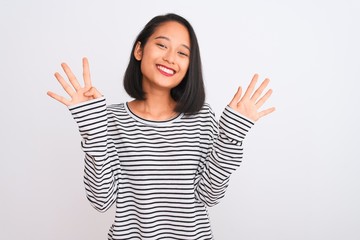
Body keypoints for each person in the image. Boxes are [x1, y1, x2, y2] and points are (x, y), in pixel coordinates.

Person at [47, 13, 275, 240]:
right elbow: (101, 200)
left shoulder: (201, 117)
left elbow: (209, 196)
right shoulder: (109, 119)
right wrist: (92, 128)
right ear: (139, 50)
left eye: (182, 53)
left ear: (189, 65)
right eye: (162, 45)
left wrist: (230, 136)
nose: (170, 58)